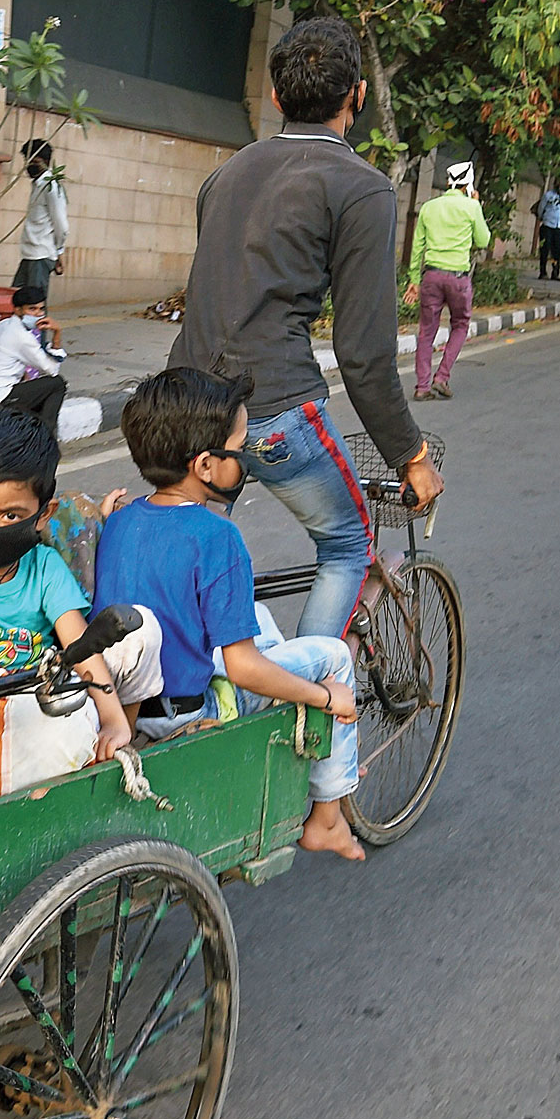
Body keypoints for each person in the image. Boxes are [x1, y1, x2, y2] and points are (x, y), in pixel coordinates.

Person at [166, 16, 441, 643]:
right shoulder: (362, 189)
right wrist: (411, 455)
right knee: (348, 544)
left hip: (188, 403)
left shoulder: (225, 175)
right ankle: (306, 721)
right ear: (358, 96)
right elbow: (365, 355)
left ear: (275, 97)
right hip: (275, 409)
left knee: (190, 560)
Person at [94, 368, 363, 860]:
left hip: (130, 702)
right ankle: (327, 818)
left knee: (256, 615)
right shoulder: (218, 538)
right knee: (335, 659)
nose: (245, 462)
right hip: (185, 714)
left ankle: (316, 745)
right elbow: (243, 668)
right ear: (204, 465)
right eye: (238, 450)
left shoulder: (122, 520)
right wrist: (325, 696)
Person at [0, 408, 135, 762]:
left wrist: (112, 718)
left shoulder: (44, 569)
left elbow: (79, 642)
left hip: (34, 715)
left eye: (10, 516)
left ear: (42, 515)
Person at [405, 160, 491, 401]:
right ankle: (441, 377)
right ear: (468, 184)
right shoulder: (471, 207)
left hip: (431, 276)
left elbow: (417, 247)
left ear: (447, 183)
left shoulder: (429, 207)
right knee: (461, 324)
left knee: (426, 332)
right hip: (458, 279)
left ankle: (422, 386)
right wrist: (477, 206)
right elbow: (483, 240)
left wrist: (414, 279)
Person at [0, 283, 66, 411]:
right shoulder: (21, 336)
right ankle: (47, 430)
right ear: (18, 310)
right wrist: (57, 333)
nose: (38, 314)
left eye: (41, 309)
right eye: (32, 309)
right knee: (57, 383)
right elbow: (52, 370)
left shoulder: (4, 324)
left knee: (34, 387)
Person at [13, 139, 69, 306]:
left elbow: (61, 225)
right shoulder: (38, 184)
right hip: (30, 254)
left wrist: (59, 252)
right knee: (17, 303)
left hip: (41, 255)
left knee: (34, 308)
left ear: (44, 162)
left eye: (33, 161)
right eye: (27, 161)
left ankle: (39, 333)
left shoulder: (51, 186)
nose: (29, 165)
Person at [534, 182, 560, 281]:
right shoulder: (548, 195)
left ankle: (555, 272)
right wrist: (543, 217)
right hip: (547, 225)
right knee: (545, 249)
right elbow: (541, 208)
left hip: (558, 227)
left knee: (556, 251)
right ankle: (543, 272)